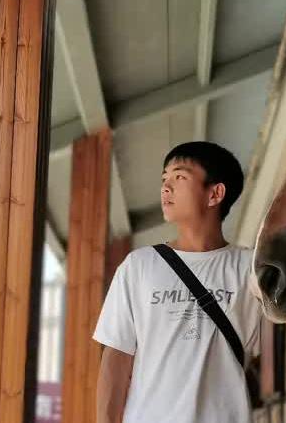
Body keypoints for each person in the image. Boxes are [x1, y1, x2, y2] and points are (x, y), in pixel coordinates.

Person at [94, 141, 262, 423]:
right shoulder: (140, 266)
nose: (165, 187)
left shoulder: (250, 268)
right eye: (164, 179)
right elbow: (116, 358)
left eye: (180, 177)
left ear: (215, 193)